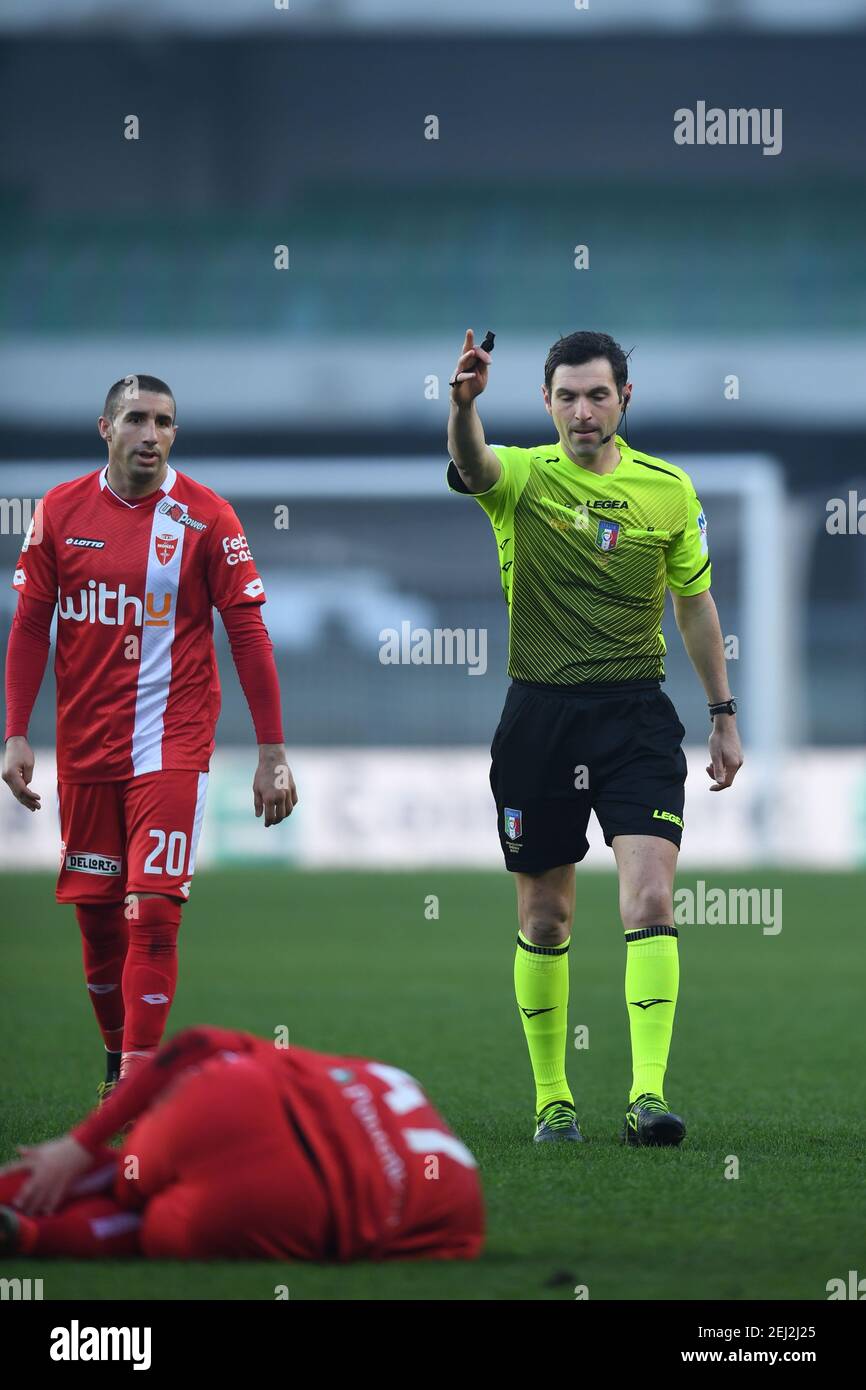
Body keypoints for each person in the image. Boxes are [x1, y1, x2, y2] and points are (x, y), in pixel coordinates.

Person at [446, 329, 743, 1146]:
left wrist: (722, 714)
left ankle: (648, 1096)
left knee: (650, 898)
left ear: (624, 401)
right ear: (546, 402)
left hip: (636, 717)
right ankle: (554, 1101)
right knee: (546, 918)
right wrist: (462, 404)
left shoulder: (669, 492)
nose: (583, 410)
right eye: (568, 396)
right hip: (539, 718)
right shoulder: (522, 477)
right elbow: (472, 467)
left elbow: (695, 603)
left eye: (598, 395)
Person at [2, 376, 297, 1097]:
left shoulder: (208, 518)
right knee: (100, 925)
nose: (151, 434)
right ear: (105, 427)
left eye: (164, 422)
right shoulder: (61, 511)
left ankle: (137, 1083)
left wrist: (271, 750)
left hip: (172, 744)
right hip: (85, 750)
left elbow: (248, 632)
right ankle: (116, 1058)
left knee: (156, 908)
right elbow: (31, 625)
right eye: (136, 418)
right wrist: (15, 734)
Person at [0, 1026, 484, 1262]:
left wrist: (81, 1143)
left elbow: (197, 1042)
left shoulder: (390, 1078)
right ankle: (28, 1236)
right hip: (295, 1207)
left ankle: (29, 1195)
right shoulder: (464, 1213)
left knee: (125, 1174)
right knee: (142, 1224)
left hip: (228, 1103)